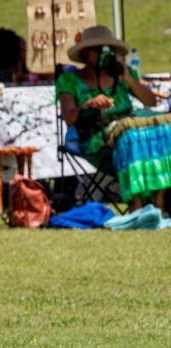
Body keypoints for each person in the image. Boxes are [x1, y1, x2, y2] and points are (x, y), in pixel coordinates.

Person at [57, 25, 169, 213]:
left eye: (107, 49)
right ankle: (136, 203)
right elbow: (68, 118)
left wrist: (127, 78)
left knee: (163, 130)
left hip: (129, 128)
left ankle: (160, 201)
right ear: (85, 52)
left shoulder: (122, 75)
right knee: (129, 137)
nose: (102, 54)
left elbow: (151, 101)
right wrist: (87, 105)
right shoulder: (70, 80)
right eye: (97, 49)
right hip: (94, 137)